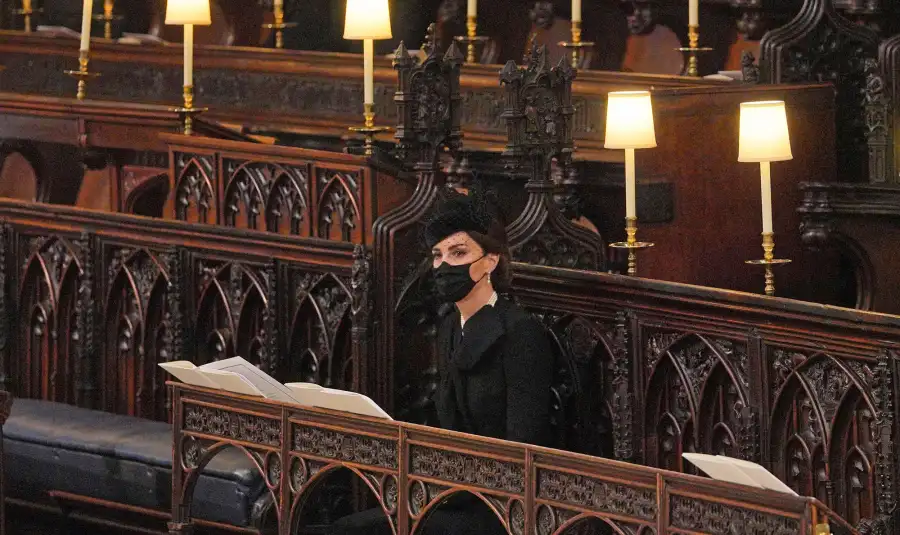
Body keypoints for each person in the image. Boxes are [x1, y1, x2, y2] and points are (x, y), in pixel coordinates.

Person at [329, 188, 554, 535]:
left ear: (491, 261)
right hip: (449, 492)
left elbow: (524, 452)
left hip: (502, 509)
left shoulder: (521, 333)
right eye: (438, 254)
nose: (444, 265)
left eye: (459, 252)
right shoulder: (451, 325)